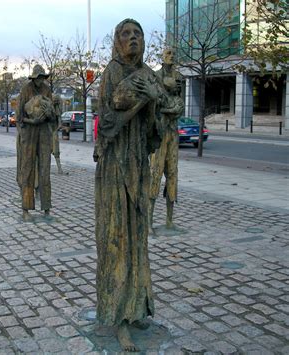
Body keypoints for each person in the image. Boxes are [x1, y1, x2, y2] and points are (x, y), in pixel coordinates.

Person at [93, 19, 163, 352]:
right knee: (116, 239)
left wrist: (152, 103)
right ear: (117, 42)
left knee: (138, 238)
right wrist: (135, 103)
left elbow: (154, 131)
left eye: (137, 34)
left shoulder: (149, 74)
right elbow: (105, 121)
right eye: (125, 34)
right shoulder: (110, 73)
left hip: (137, 165)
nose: (132, 39)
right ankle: (118, 317)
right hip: (114, 167)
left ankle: (136, 309)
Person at [149, 48, 184, 230]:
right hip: (160, 132)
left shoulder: (179, 77)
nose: (172, 56)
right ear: (162, 57)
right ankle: (149, 221)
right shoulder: (155, 77)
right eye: (169, 53)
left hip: (173, 133)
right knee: (155, 172)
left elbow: (180, 107)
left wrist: (173, 107)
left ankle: (169, 221)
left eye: (173, 53)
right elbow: (154, 103)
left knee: (173, 173)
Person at [16, 64, 55, 221]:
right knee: (28, 170)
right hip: (29, 133)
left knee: (45, 170)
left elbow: (53, 115)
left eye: (42, 78)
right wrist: (32, 121)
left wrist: (49, 114)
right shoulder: (25, 89)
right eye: (38, 78)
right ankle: (26, 210)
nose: (40, 81)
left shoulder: (47, 90)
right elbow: (19, 116)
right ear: (33, 78)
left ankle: (46, 209)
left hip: (44, 132)